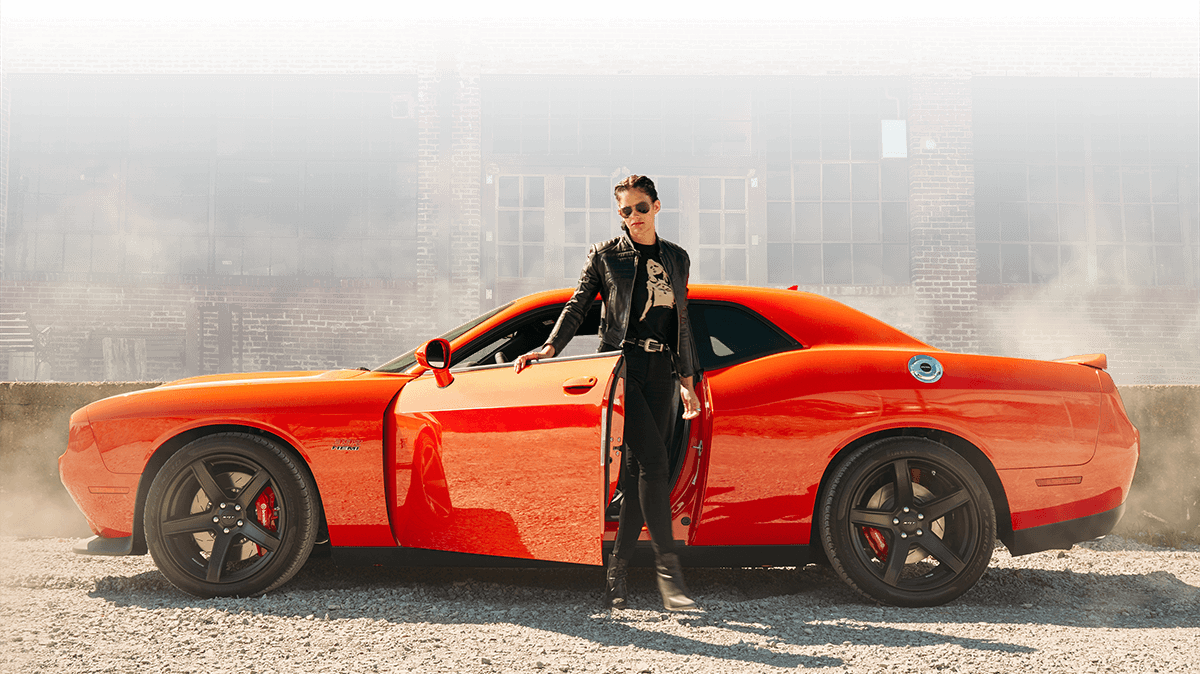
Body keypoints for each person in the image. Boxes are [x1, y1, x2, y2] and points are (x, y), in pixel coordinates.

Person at [514, 174, 702, 612]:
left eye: (639, 208)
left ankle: (616, 575)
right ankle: (669, 575)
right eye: (624, 211)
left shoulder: (677, 258)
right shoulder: (605, 256)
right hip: (623, 367)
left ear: (657, 207)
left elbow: (684, 324)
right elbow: (578, 305)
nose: (631, 218)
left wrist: (687, 383)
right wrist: (549, 347)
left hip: (662, 371)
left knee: (640, 472)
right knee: (654, 464)